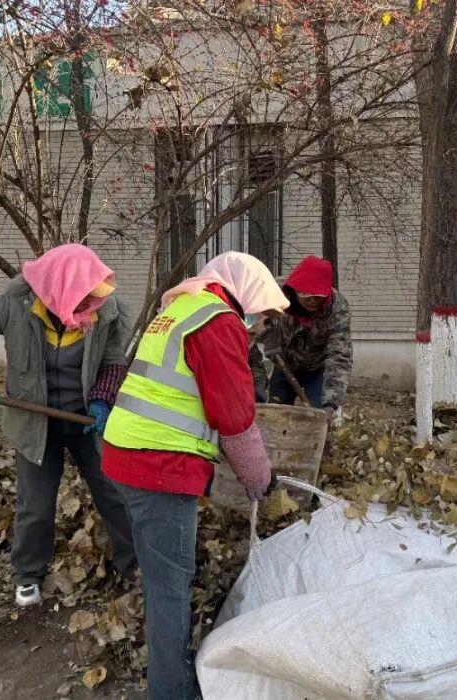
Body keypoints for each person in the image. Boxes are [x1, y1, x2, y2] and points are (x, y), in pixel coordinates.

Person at [101, 252, 289, 699]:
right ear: (245, 294)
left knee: (158, 574)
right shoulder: (217, 321)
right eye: (262, 312)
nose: (260, 323)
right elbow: (235, 417)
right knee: (169, 586)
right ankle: (172, 691)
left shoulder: (183, 307)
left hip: (127, 452)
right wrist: (260, 480)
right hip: (158, 466)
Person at [0, 244, 136, 608]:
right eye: (83, 298)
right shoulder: (16, 306)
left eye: (93, 297)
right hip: (34, 422)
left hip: (84, 420)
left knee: (112, 493)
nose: (90, 305)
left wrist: (101, 399)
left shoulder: (106, 313)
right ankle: (28, 574)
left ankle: (134, 565)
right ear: (59, 289)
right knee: (36, 502)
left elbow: (112, 362)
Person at [249, 255, 352, 427]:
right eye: (307, 296)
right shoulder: (276, 292)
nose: (312, 301)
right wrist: (270, 338)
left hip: (317, 369)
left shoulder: (337, 309)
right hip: (284, 363)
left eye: (318, 296)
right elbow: (254, 320)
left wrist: (331, 403)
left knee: (317, 418)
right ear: (296, 289)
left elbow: (340, 357)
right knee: (276, 415)